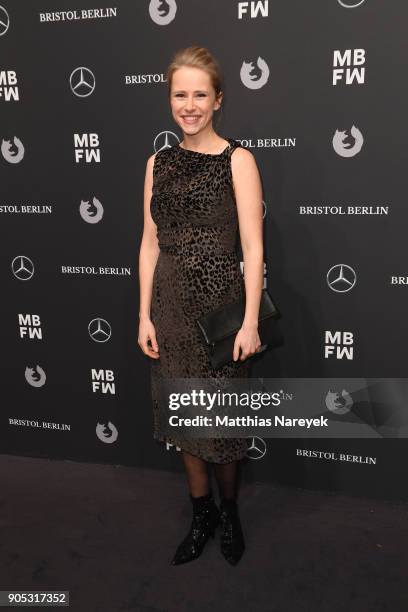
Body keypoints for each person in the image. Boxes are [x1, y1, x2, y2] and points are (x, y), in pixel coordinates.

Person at [138, 45, 264, 565]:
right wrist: (143, 313)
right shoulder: (157, 162)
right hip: (168, 308)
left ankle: (229, 512)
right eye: (179, 94)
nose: (188, 104)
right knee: (185, 421)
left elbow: (254, 247)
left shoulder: (239, 160)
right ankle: (201, 514)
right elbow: (149, 243)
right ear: (170, 100)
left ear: (218, 100)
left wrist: (251, 321)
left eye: (199, 94)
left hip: (221, 313)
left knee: (224, 426)